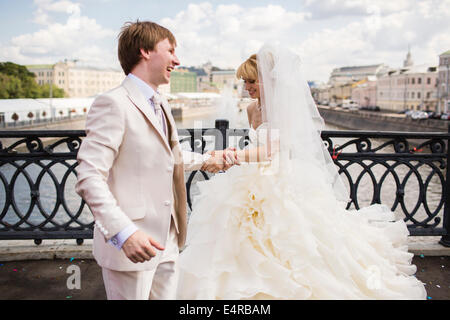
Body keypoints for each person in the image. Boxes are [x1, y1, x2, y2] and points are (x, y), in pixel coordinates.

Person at [176, 44, 427, 299]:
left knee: (288, 240)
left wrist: (231, 155)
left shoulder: (282, 110)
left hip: (280, 179)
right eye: (244, 82)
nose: (246, 87)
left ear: (268, 80)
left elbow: (272, 151)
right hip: (251, 177)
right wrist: (237, 152)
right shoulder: (252, 109)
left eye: (251, 81)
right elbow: (258, 146)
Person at [75, 20, 236, 300]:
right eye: (170, 50)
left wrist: (209, 159)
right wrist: (123, 233)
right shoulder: (113, 103)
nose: (177, 59)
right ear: (145, 51)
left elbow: (166, 157)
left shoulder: (159, 102)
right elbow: (89, 177)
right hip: (132, 243)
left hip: (168, 239)